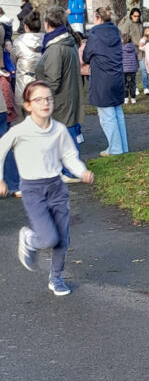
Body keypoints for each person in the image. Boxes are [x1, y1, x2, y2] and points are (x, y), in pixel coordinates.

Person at [0, 81, 94, 295]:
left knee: (62, 238)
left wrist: (81, 171)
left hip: (56, 188)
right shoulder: (20, 131)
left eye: (48, 99)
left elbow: (69, 155)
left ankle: (56, 278)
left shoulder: (59, 130)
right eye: (39, 99)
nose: (45, 103)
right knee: (49, 238)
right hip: (33, 190)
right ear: (28, 105)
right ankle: (30, 239)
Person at [35, 6, 84, 179]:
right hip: (68, 95)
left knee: (66, 134)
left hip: (60, 99)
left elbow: (53, 80)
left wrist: (41, 98)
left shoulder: (56, 47)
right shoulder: (67, 41)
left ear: (47, 24)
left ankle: (71, 172)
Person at [82, 6, 129, 156]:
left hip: (102, 78)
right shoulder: (116, 32)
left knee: (107, 116)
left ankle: (115, 149)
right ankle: (123, 147)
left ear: (98, 18)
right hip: (117, 76)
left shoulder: (94, 34)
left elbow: (86, 56)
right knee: (117, 113)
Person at [12, 9, 44, 111]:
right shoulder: (47, 41)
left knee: (24, 113)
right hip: (43, 83)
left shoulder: (18, 42)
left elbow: (13, 61)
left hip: (24, 83)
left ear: (26, 26)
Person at [122, 32, 139, 104]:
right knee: (132, 83)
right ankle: (133, 98)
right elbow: (136, 57)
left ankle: (125, 98)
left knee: (124, 84)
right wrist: (136, 66)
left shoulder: (121, 48)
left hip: (124, 69)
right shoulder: (133, 48)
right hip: (132, 69)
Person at [138, 26, 149, 94]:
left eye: (148, 30)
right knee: (144, 70)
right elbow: (140, 45)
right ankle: (146, 87)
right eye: (146, 31)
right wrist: (144, 38)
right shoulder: (142, 39)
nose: (147, 32)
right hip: (143, 56)